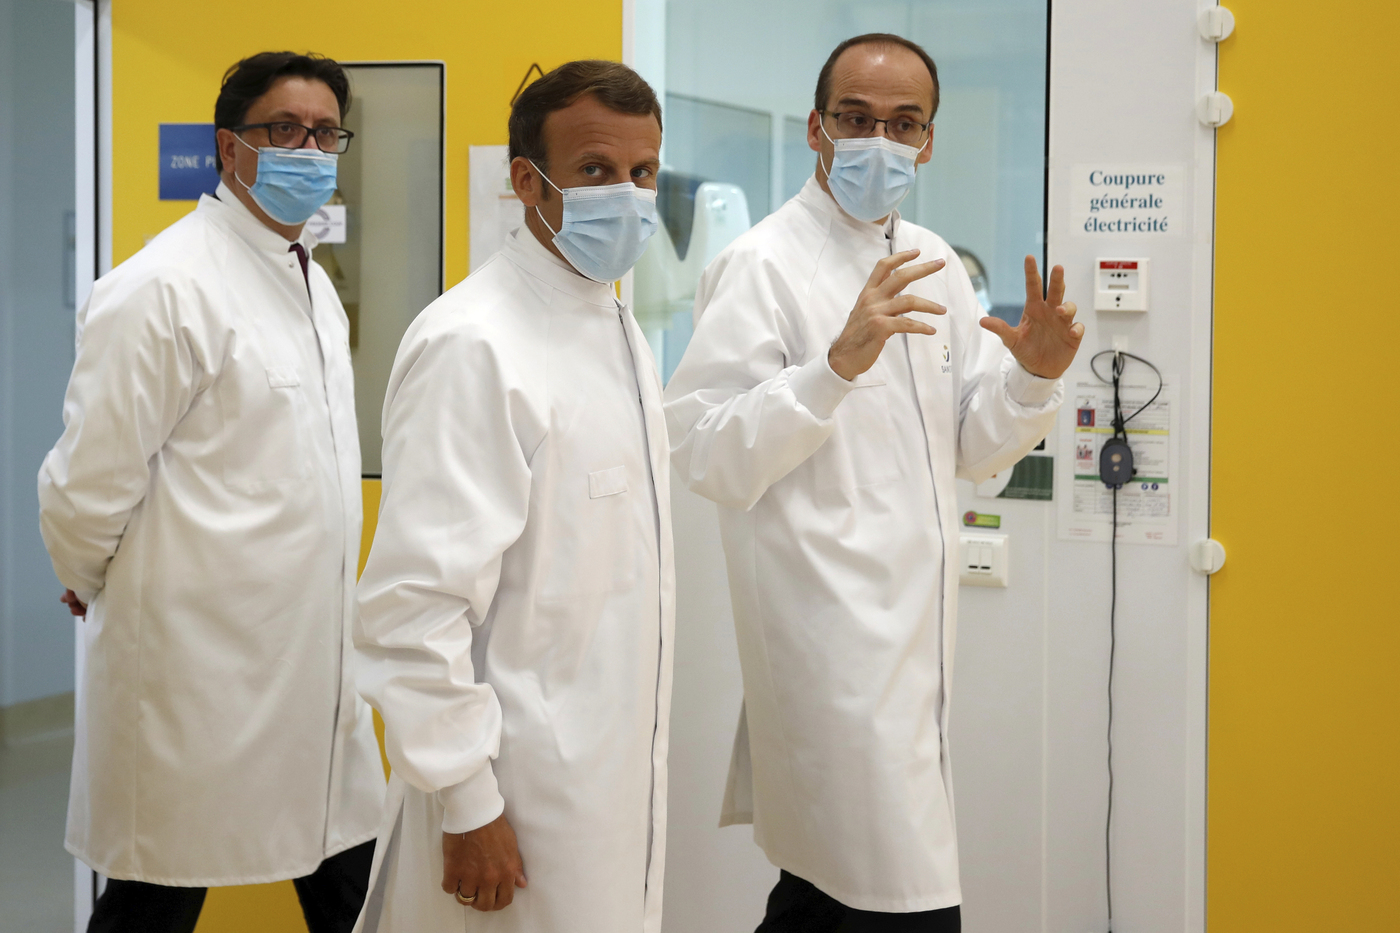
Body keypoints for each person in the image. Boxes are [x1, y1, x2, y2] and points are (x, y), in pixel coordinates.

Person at [663, 33, 1084, 933]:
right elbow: (703, 449)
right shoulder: (763, 265)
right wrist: (835, 367)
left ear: (929, 140)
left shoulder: (930, 255)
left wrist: (1035, 379)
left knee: (832, 895)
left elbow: (970, 447)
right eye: (857, 118)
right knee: (904, 900)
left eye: (904, 123)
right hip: (827, 646)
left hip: (916, 646)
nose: (879, 141)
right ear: (818, 127)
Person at [38, 52, 385, 933]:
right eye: (284, 130)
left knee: (354, 879)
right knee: (158, 891)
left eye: (324, 132)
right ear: (230, 150)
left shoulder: (311, 283)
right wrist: (85, 573)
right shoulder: (162, 287)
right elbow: (86, 486)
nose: (310, 147)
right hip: (197, 675)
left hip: (312, 667)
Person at [352, 60, 673, 933]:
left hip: (602, 782)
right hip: (514, 795)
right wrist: (467, 799)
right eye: (598, 170)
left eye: (643, 173)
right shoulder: (475, 344)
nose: (630, 195)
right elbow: (412, 608)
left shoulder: (612, 323)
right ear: (526, 181)